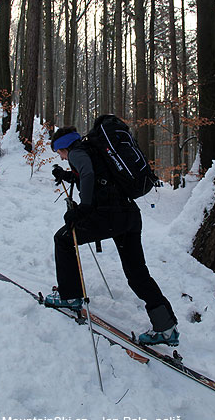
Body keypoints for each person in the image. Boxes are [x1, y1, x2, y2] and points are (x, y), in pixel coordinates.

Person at [45, 126, 179, 346]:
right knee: (137, 273)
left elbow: (87, 173)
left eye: (58, 152)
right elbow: (96, 177)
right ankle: (166, 328)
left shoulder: (78, 153)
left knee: (63, 239)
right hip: (129, 216)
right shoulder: (93, 151)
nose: (59, 156)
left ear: (63, 147)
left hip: (107, 217)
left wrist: (84, 208)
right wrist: (68, 176)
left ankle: (70, 296)